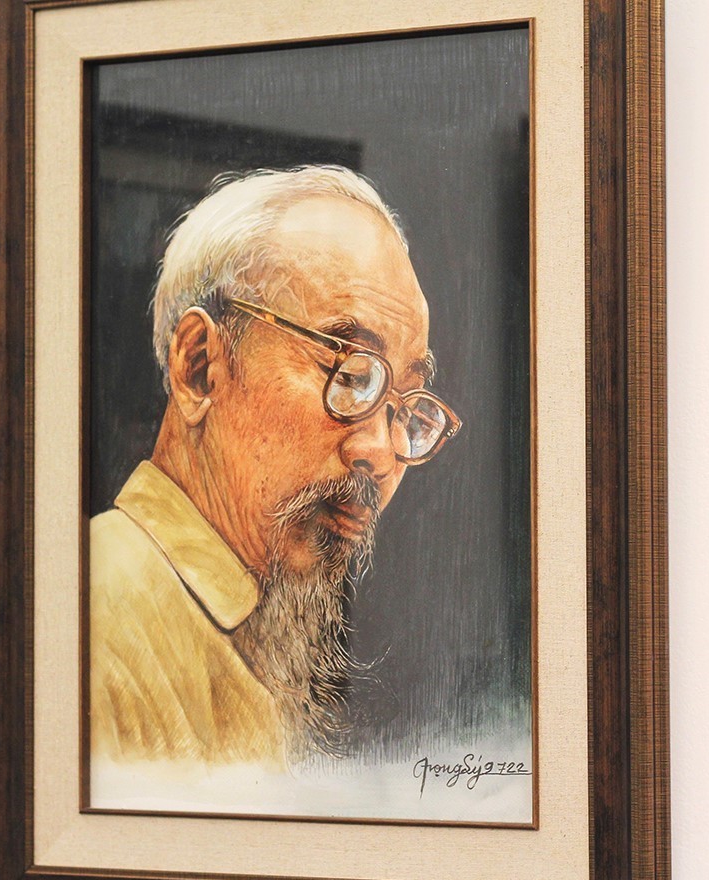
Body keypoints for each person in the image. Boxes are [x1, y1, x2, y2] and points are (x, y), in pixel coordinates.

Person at [89, 166, 461, 770]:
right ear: (199, 368)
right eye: (350, 374)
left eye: (403, 406)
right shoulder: (91, 623)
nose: (380, 452)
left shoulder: (260, 642)